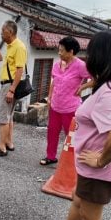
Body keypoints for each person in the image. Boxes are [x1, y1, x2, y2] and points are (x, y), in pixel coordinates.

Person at [65, 30, 111, 220]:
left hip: (98, 169)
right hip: (93, 166)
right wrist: (89, 86)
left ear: (99, 56)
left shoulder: (109, 94)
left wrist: (100, 162)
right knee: (78, 200)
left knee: (90, 217)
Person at [40, 36, 93, 165]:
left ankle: (70, 161)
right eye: (59, 50)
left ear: (71, 51)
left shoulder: (80, 65)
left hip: (70, 108)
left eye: (62, 50)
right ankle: (51, 156)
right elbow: (54, 82)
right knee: (52, 133)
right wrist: (49, 97)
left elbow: (96, 78)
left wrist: (83, 86)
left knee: (71, 136)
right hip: (55, 106)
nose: (59, 53)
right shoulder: (57, 65)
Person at [0, 20, 27, 157]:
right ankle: (8, 142)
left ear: (10, 31)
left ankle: (1, 147)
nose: (1, 34)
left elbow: (20, 70)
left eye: (3, 31)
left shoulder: (18, 47)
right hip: (9, 85)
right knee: (9, 116)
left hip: (10, 85)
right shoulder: (11, 46)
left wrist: (11, 90)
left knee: (3, 117)